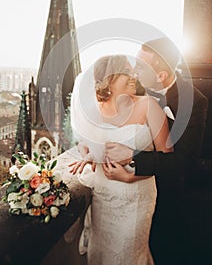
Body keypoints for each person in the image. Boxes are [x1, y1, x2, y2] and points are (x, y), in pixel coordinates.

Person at [103, 38, 208, 265]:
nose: (133, 71)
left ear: (160, 76)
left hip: (167, 200)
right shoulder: (132, 88)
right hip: (121, 198)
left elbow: (185, 162)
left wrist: (133, 159)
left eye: (140, 67)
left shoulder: (194, 102)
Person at [69, 54, 173, 265]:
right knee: (100, 254)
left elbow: (168, 159)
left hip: (136, 199)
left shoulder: (149, 106)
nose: (134, 75)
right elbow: (91, 147)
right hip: (103, 200)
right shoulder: (93, 113)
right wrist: (88, 154)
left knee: (127, 256)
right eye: (127, 71)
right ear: (110, 78)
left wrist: (129, 177)